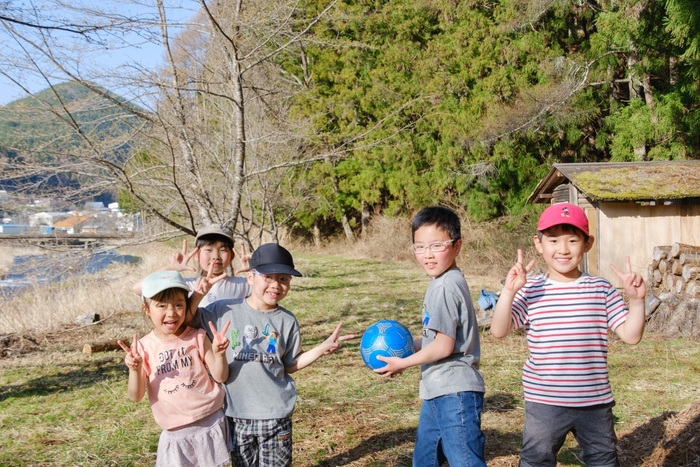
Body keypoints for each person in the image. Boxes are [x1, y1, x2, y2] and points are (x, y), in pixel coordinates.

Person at [490, 202, 646, 467]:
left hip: (594, 402)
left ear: (588, 243)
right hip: (544, 402)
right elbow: (498, 331)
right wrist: (509, 291)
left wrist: (637, 301)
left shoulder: (601, 288)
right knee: (536, 460)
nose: (563, 249)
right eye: (553, 240)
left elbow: (631, 336)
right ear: (538, 244)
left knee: (603, 460)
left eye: (572, 240)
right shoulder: (531, 289)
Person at [198, 242, 356, 467]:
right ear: (250, 278)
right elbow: (184, 319)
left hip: (276, 415)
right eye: (268, 277)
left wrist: (320, 349)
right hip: (236, 414)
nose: (276, 285)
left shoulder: (287, 320)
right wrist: (197, 293)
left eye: (283, 279)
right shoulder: (222, 310)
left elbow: (290, 364)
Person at [375, 206, 486, 467]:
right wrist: (405, 348)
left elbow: (444, 346)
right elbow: (436, 338)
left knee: (465, 461)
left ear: (457, 246)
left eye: (437, 246)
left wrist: (401, 363)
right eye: (420, 247)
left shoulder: (445, 287)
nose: (428, 255)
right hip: (437, 389)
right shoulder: (446, 280)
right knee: (424, 460)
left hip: (455, 392)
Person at [118, 269, 232, 467]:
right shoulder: (144, 347)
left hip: (210, 423)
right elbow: (135, 396)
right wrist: (135, 369)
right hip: (175, 434)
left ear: (187, 305)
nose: (171, 313)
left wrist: (220, 354)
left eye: (179, 305)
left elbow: (220, 376)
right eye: (161, 306)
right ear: (146, 309)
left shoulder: (197, 336)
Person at [132, 225, 251, 306]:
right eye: (208, 250)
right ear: (195, 255)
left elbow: (267, 291)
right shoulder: (186, 285)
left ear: (232, 256)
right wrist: (171, 268)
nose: (216, 256)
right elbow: (138, 288)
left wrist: (254, 270)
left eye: (223, 250)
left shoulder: (243, 284)